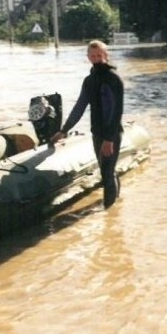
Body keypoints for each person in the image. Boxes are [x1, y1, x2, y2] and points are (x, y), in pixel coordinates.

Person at [50, 40, 124, 208]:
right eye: (93, 56)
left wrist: (109, 139)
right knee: (107, 170)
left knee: (106, 173)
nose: (96, 58)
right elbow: (80, 106)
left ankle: (109, 212)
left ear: (106, 55)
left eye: (99, 55)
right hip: (96, 132)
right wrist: (64, 130)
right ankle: (116, 203)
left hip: (111, 134)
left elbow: (116, 111)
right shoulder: (89, 80)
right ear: (88, 57)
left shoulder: (113, 79)